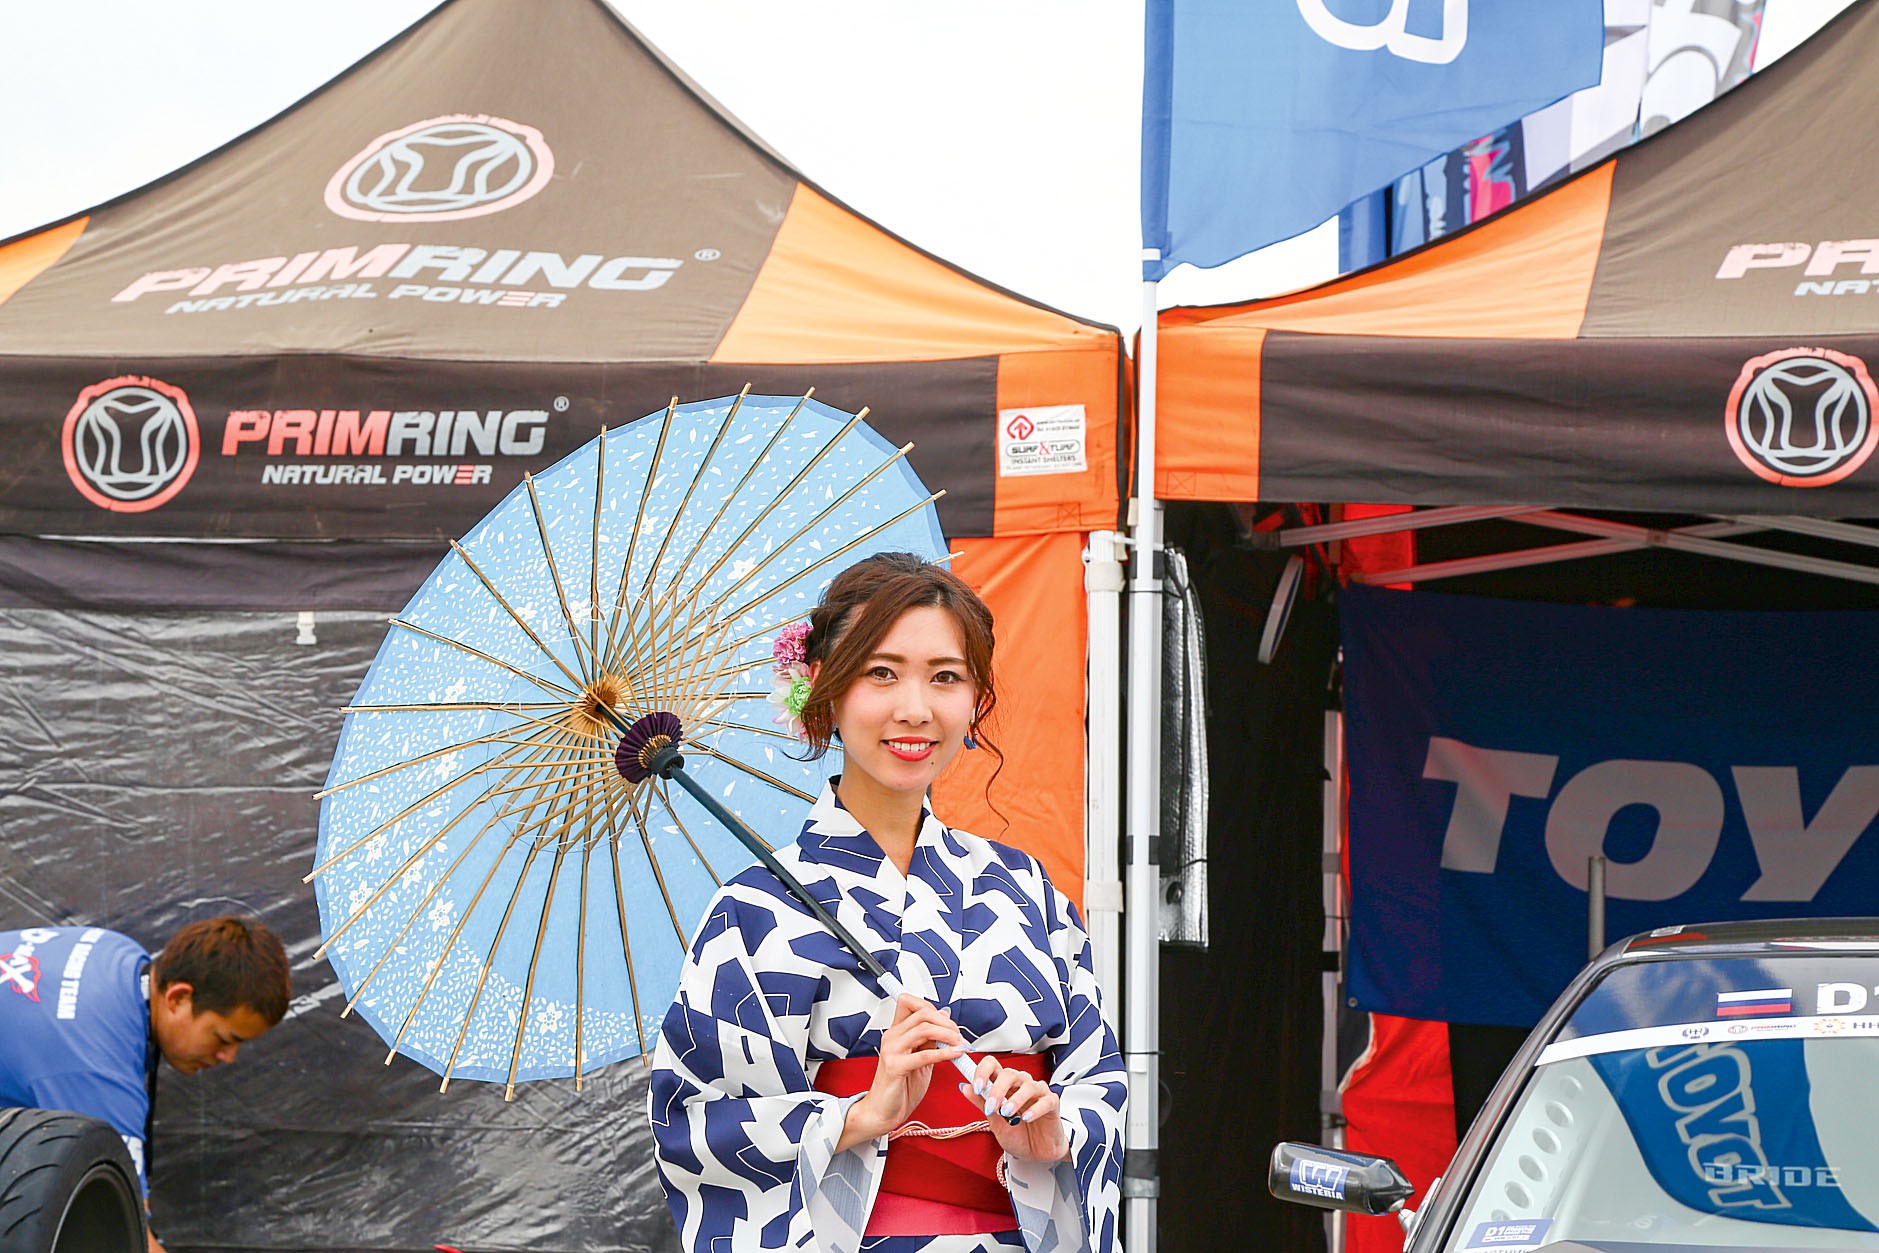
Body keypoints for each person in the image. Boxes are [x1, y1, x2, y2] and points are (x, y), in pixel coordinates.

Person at [649, 553, 1126, 1252]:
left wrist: (1055, 1133)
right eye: (881, 672)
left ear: (976, 699)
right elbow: (697, 1126)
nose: (915, 708)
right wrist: (861, 1114)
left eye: (945, 676)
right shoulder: (755, 910)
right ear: (823, 688)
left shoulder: (1024, 886)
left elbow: (1099, 1081)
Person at [0, 915, 291, 1253]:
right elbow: (127, 1237)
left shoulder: (120, 955)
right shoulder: (98, 1068)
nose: (228, 1056)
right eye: (224, 1038)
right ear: (178, 998)